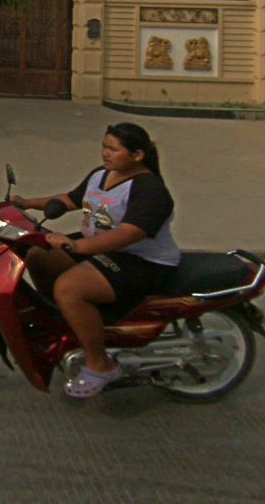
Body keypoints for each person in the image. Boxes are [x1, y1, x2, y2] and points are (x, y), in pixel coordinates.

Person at [12, 122, 180, 399]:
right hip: (101, 246)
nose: (105, 153)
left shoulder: (150, 190)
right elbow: (70, 199)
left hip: (142, 260)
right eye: (104, 146)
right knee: (39, 255)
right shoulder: (101, 175)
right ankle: (69, 323)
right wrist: (26, 203)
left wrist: (78, 246)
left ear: (137, 155)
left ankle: (101, 365)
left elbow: (128, 235)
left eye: (113, 149)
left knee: (69, 289)